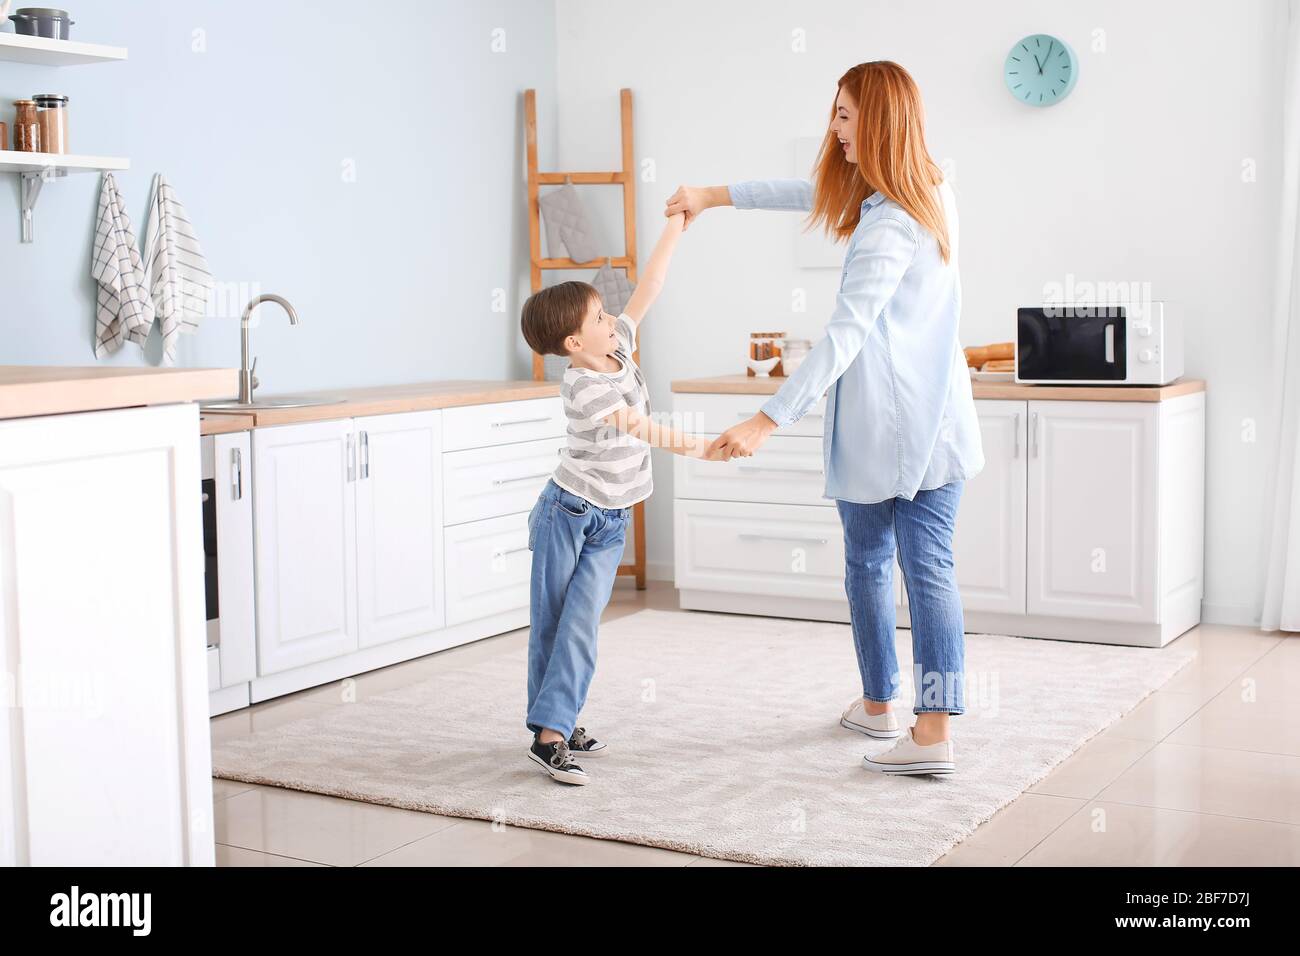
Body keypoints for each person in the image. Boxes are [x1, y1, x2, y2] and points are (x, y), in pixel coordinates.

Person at [666, 61, 984, 775]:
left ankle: (929, 732)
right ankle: (882, 707)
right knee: (889, 564)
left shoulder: (890, 224)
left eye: (844, 115)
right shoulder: (927, 189)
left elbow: (845, 332)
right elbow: (813, 190)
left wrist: (767, 419)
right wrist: (717, 195)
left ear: (877, 119)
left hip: (898, 430)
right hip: (919, 424)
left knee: (906, 566)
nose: (833, 128)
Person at [518, 211, 716, 785]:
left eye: (607, 313)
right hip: (569, 512)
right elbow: (639, 427)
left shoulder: (619, 349)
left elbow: (648, 287)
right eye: (599, 317)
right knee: (556, 621)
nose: (612, 318)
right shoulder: (583, 384)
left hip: (613, 516)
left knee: (580, 620)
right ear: (574, 343)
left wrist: (677, 226)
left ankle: (555, 722)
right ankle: (552, 733)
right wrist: (700, 448)